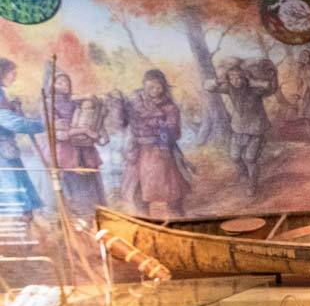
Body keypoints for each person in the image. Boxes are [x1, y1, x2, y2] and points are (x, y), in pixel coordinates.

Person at [122, 70, 192, 216]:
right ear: (144, 87)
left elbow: (174, 130)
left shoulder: (170, 107)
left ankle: (176, 213)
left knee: (170, 186)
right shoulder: (134, 104)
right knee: (138, 189)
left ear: (164, 87)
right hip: (139, 151)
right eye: (150, 87)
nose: (154, 91)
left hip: (161, 151)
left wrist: (160, 126)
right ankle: (143, 215)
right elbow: (123, 123)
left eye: (158, 87)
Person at [204, 58, 275, 196]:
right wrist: (218, 81)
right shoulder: (229, 88)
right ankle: (243, 175)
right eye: (232, 78)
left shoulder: (254, 89)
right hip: (238, 128)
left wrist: (252, 81)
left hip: (256, 129)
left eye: (239, 77)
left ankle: (252, 184)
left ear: (245, 77)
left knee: (250, 158)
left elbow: (268, 86)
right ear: (228, 79)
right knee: (235, 156)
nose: (236, 80)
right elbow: (207, 86)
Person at [52, 72, 106, 217]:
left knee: (95, 194)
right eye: (60, 83)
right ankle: (82, 223)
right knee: (78, 195)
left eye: (67, 82)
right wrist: (84, 130)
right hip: (68, 155)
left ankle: (96, 223)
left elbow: (93, 118)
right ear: (52, 85)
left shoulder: (76, 101)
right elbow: (60, 134)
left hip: (86, 152)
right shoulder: (50, 105)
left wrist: (97, 130)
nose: (65, 85)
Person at [0, 58, 45, 218]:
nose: (15, 76)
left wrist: (15, 108)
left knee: (23, 203)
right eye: (12, 72)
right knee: (14, 203)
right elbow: (11, 122)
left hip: (8, 152)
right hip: (3, 156)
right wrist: (42, 125)